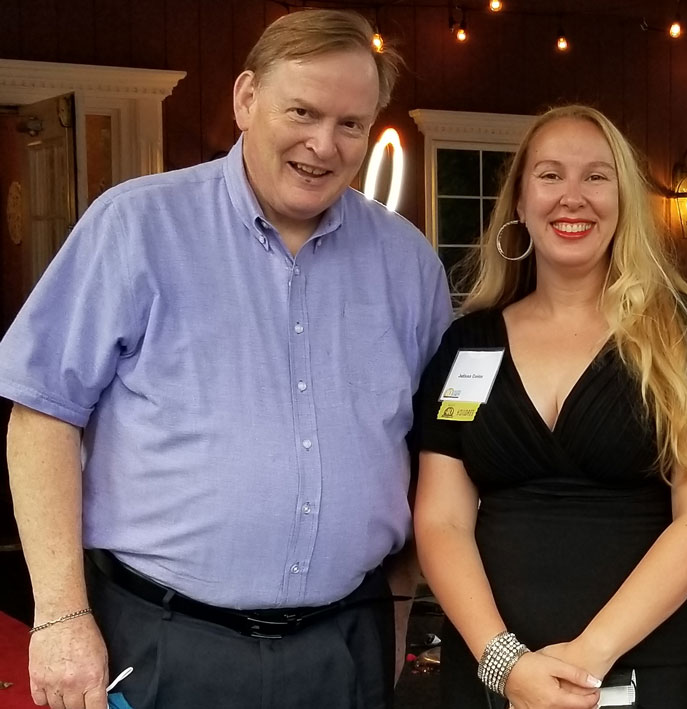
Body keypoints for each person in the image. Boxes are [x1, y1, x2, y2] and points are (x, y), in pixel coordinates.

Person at [0, 9, 451, 709]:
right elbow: (41, 418)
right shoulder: (136, 225)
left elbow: (429, 452)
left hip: (348, 640)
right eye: (301, 111)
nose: (322, 144)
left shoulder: (408, 263)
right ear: (246, 98)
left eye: (350, 124)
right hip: (163, 641)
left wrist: (397, 603)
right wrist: (61, 614)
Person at [412, 104, 687, 708]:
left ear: (625, 201)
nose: (571, 197)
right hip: (489, 667)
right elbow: (441, 518)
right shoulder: (468, 344)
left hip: (637, 668)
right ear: (520, 203)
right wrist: (505, 663)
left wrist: (585, 660)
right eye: (550, 176)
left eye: (596, 177)